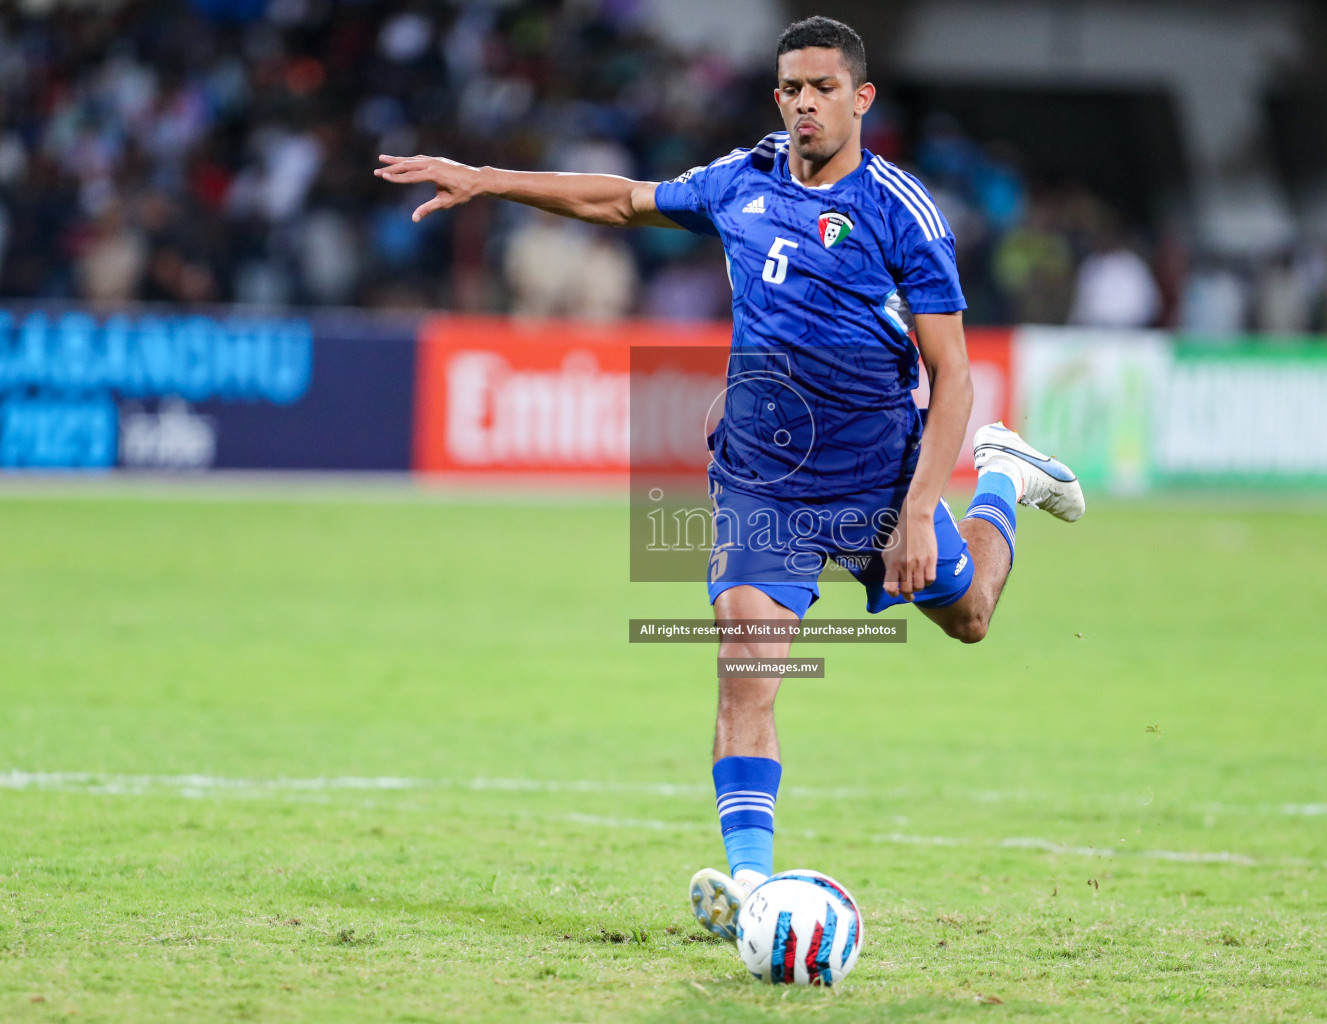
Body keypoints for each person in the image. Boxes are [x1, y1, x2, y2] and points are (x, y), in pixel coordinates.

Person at [375, 15, 1084, 943]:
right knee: (744, 667)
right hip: (765, 483)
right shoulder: (740, 182)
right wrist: (488, 181)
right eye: (789, 88)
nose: (802, 104)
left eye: (822, 88)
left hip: (880, 478)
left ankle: (1004, 475)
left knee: (972, 615)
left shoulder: (901, 211)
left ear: (861, 98)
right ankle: (753, 887)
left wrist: (920, 508)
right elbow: (619, 201)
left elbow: (953, 372)